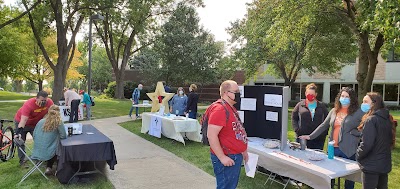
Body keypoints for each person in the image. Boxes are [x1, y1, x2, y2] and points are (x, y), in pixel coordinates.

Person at [299, 87, 364, 189]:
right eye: (342, 96)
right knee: (330, 174)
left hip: (348, 149)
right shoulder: (334, 111)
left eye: (347, 96)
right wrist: (310, 136)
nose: (344, 98)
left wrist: (356, 133)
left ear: (352, 99)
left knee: (349, 179)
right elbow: (324, 125)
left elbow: (366, 129)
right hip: (333, 148)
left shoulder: (358, 112)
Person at [207, 80, 248, 189]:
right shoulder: (220, 109)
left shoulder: (230, 108)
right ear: (225, 93)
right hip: (227, 157)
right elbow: (211, 135)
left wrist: (243, 150)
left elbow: (236, 131)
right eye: (236, 91)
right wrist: (222, 157)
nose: (239, 94)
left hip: (234, 155)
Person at [357, 92, 392, 189]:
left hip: (371, 166)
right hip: (384, 164)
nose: (362, 104)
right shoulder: (387, 118)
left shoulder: (371, 120)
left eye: (365, 101)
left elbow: (367, 144)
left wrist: (358, 154)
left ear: (373, 103)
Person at [14, 91, 54, 167]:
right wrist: (18, 132)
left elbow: (52, 114)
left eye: (45, 100)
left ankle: (40, 159)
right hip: (22, 122)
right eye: (42, 100)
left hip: (35, 124)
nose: (44, 102)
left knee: (39, 140)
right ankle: (22, 161)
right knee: (21, 141)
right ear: (36, 99)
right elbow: (23, 120)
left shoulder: (49, 103)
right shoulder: (29, 104)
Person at [31, 105, 66, 175]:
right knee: (58, 146)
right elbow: (63, 136)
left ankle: (49, 167)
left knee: (50, 144)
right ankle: (57, 168)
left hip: (37, 150)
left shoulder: (41, 121)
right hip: (49, 152)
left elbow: (34, 135)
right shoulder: (58, 122)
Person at [292, 83, 329, 150]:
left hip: (318, 139)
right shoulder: (299, 105)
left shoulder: (322, 106)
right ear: (305, 93)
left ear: (316, 94)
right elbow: (294, 118)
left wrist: (323, 134)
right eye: (308, 93)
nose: (310, 95)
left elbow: (327, 121)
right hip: (302, 138)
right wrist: (297, 130)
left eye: (312, 94)